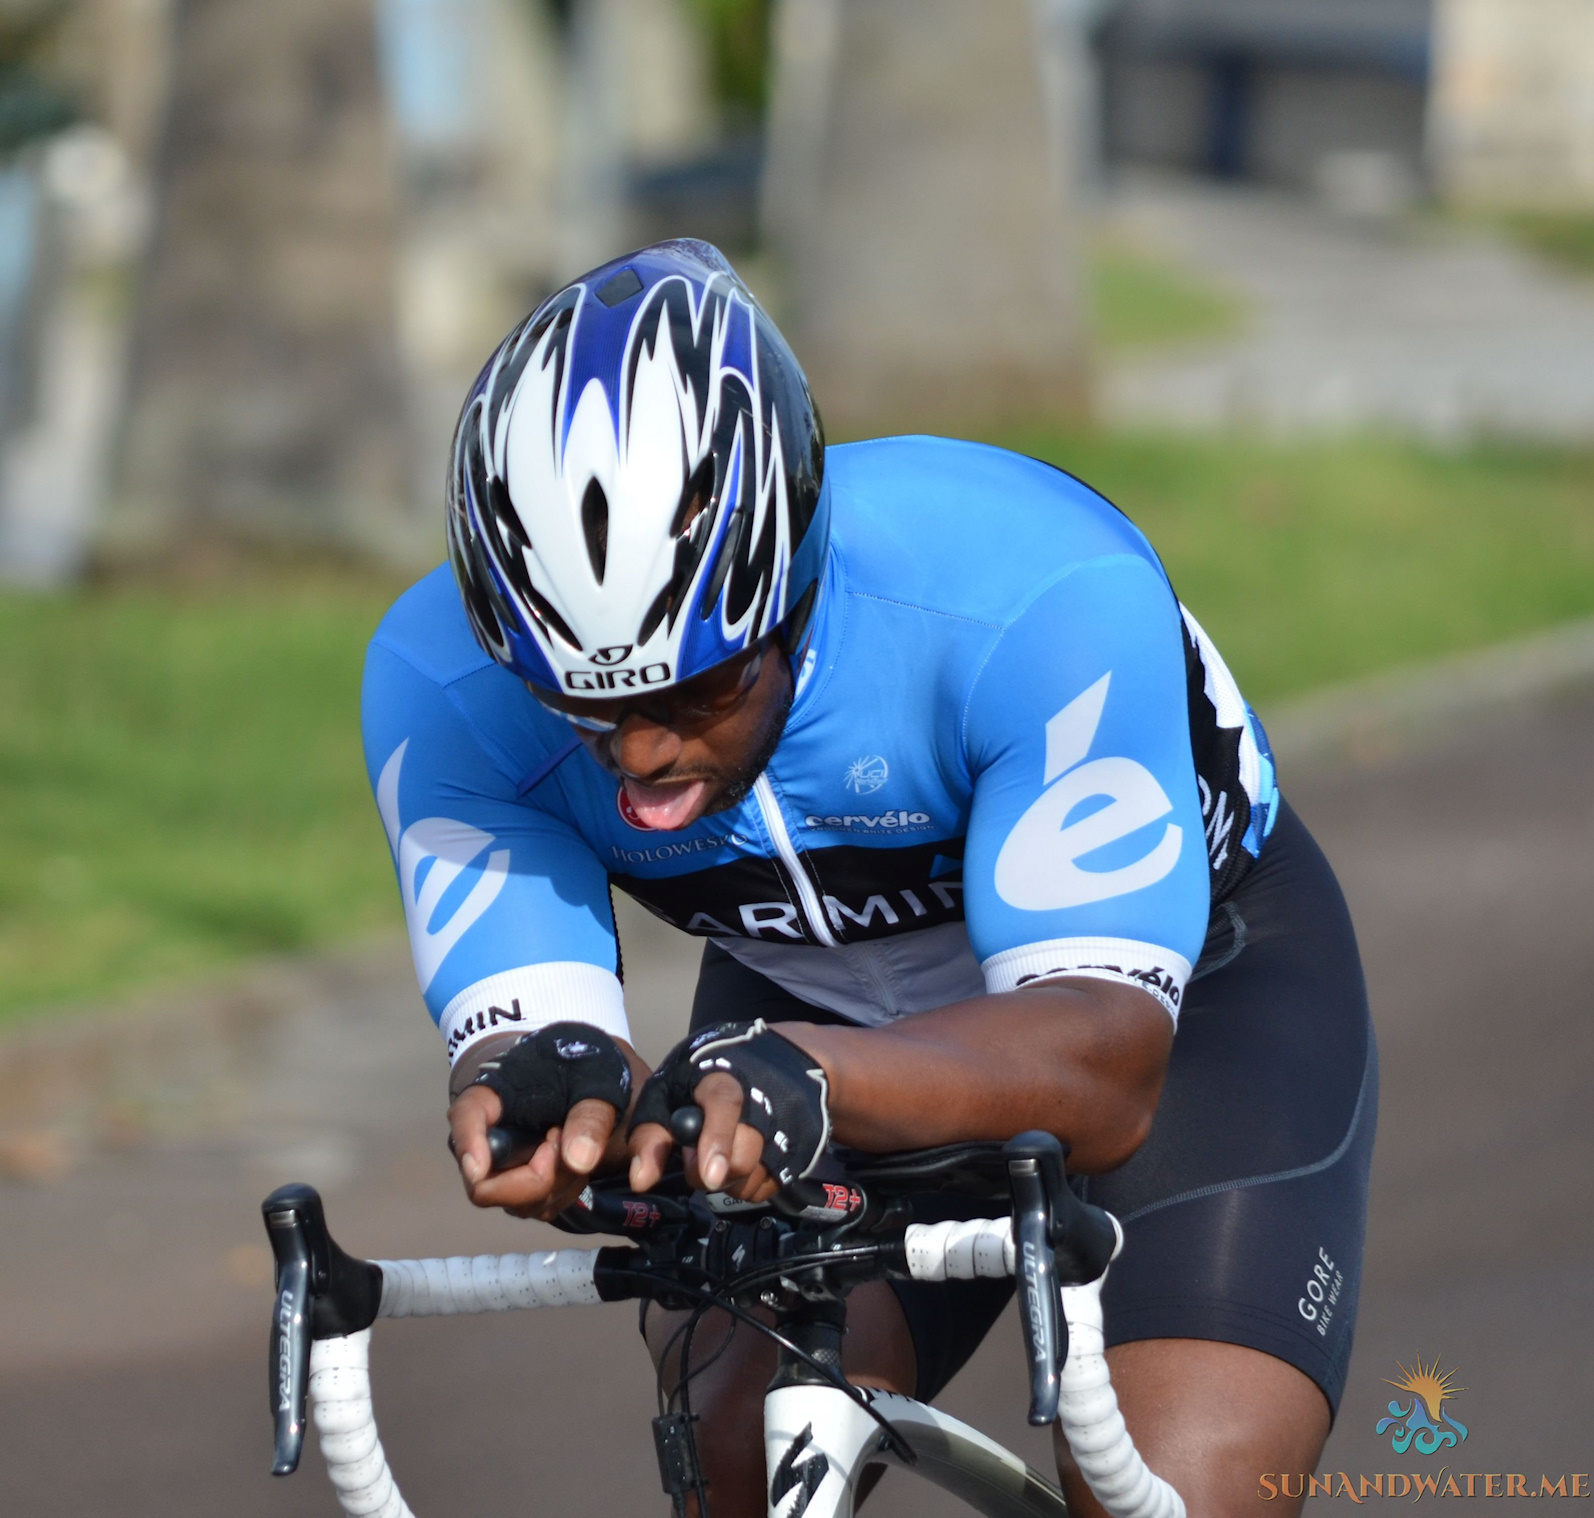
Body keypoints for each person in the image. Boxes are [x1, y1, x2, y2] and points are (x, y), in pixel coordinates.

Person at [361, 239, 1375, 1517]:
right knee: (742, 1434)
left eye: (701, 685)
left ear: (792, 590)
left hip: (1185, 1005)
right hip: (806, 1018)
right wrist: (550, 1088)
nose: (644, 755)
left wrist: (812, 1070)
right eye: (582, 708)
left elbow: (1102, 1078)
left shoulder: (1033, 589)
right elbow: (545, 1029)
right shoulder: (443, 689)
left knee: (1179, 1487)